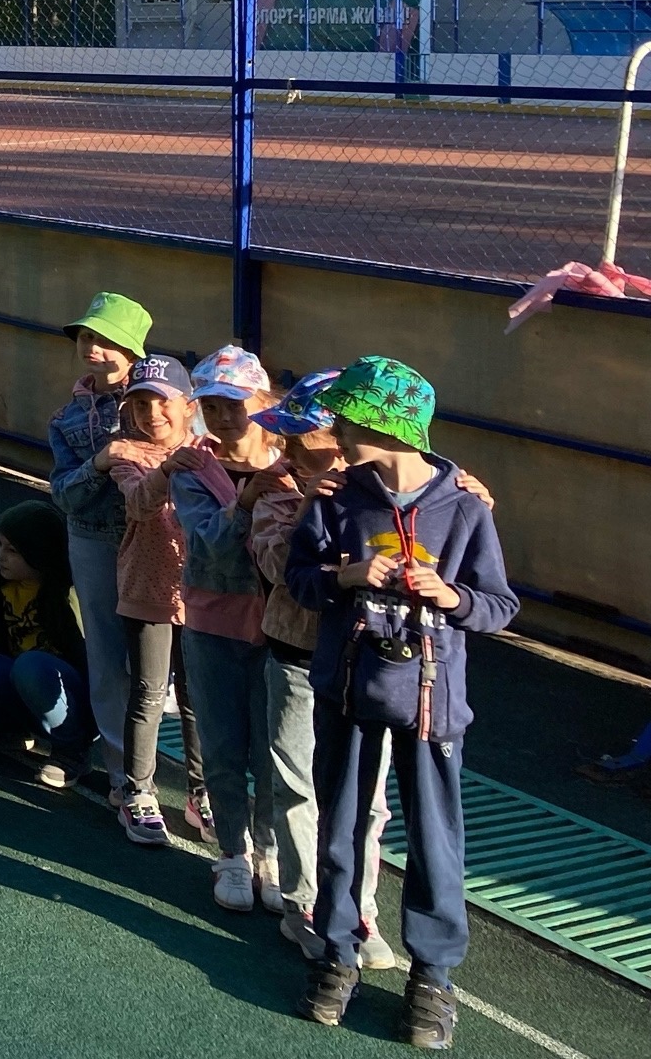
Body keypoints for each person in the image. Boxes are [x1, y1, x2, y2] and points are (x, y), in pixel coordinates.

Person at [286, 358, 517, 1049]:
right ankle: (337, 953)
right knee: (340, 827)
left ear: (385, 426)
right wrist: (346, 575)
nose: (334, 430)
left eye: (345, 418)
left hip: (431, 703)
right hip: (348, 689)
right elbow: (299, 579)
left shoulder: (464, 506)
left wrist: (452, 597)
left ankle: (433, 976)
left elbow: (499, 605)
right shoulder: (336, 496)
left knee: (435, 837)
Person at [250, 371, 400, 968]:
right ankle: (304, 903)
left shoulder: (386, 492)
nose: (289, 450)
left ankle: (360, 907)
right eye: (286, 439)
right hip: (296, 654)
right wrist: (310, 506)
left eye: (304, 438)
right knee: (297, 784)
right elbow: (274, 567)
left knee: (369, 797)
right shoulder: (278, 490)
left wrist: (470, 494)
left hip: (368, 659)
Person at [171, 345, 286, 910]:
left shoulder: (295, 460)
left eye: (234, 404)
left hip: (281, 629)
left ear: (263, 402)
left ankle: (271, 850)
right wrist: (245, 503)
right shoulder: (194, 467)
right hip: (213, 622)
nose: (221, 417)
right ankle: (233, 853)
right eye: (211, 406)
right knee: (221, 745)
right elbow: (207, 544)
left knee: (274, 751)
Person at [101, 352, 209, 846]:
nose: (152, 414)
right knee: (147, 692)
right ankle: (137, 792)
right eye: (140, 404)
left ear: (189, 406)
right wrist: (167, 469)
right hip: (147, 588)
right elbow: (140, 504)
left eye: (162, 402)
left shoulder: (210, 449)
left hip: (202, 594)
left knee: (196, 697)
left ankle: (201, 791)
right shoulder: (127, 453)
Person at [48, 290, 150, 791]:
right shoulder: (67, 418)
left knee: (159, 662)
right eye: (86, 337)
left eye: (106, 339)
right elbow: (64, 494)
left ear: (132, 350)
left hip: (154, 544)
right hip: (92, 541)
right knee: (107, 658)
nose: (92, 347)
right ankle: (121, 773)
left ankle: (191, 781)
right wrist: (101, 463)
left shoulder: (160, 406)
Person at [0, 499, 91, 787]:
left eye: (12, 550)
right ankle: (9, 730)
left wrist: (94, 726)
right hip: (23, 682)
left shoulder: (68, 596)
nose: (1, 555)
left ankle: (72, 750)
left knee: (31, 665)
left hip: (67, 695)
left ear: (40, 554)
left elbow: (92, 667)